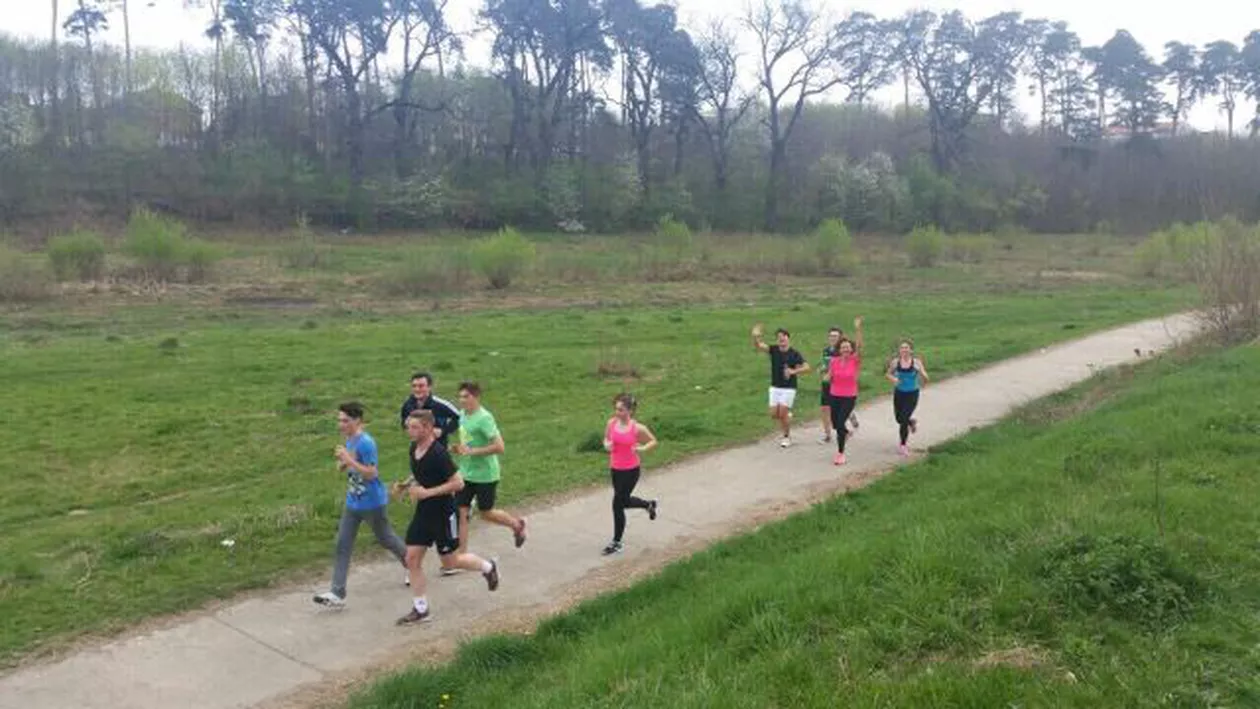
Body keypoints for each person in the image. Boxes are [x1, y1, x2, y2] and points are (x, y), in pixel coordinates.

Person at [393, 410, 500, 625]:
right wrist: (406, 485)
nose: (410, 431)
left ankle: (488, 567)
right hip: (424, 513)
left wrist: (426, 493)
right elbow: (421, 473)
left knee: (451, 561)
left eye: (415, 427)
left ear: (428, 428)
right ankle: (421, 609)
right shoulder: (414, 448)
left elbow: (458, 483)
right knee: (411, 558)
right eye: (409, 427)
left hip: (443, 513)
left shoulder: (438, 453)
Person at [313, 402, 408, 608]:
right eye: (339, 420)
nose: (341, 424)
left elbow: (372, 473)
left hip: (372, 502)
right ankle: (337, 593)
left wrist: (349, 459)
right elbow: (350, 466)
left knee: (386, 538)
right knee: (342, 544)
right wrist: (343, 463)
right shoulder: (349, 440)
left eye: (345, 420)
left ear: (357, 421)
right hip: (353, 502)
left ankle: (412, 565)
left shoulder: (366, 443)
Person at [451, 381, 527, 558]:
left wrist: (473, 451)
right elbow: (468, 441)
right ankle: (461, 556)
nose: (462, 400)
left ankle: (516, 525)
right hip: (466, 473)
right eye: (460, 397)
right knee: (460, 512)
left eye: (466, 397)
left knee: (486, 513)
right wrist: (459, 449)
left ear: (476, 397)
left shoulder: (484, 418)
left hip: (486, 475)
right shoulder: (462, 415)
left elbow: (500, 447)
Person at [602, 393, 659, 555]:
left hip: (631, 470)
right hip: (615, 468)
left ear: (630, 411)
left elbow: (653, 441)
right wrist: (607, 445)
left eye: (621, 409)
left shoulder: (637, 428)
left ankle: (617, 542)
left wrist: (641, 448)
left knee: (617, 504)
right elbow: (606, 439)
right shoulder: (611, 423)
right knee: (623, 501)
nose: (617, 412)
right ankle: (648, 504)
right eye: (616, 409)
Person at [752, 324, 810, 448]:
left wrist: (793, 371)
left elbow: (807, 367)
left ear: (788, 338)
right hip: (775, 387)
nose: (781, 339)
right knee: (774, 414)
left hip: (789, 388)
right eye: (779, 337)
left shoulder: (794, 353)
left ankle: (786, 437)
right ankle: (787, 415)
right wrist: (756, 336)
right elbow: (758, 346)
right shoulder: (773, 350)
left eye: (783, 337)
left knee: (782, 412)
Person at [827, 316, 865, 466]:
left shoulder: (855, 360)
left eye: (848, 347)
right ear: (839, 349)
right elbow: (830, 375)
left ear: (851, 349)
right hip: (834, 394)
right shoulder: (834, 361)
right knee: (836, 424)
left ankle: (840, 453)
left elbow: (860, 345)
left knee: (840, 422)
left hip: (849, 396)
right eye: (843, 347)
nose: (845, 349)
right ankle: (846, 432)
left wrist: (858, 329)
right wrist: (826, 376)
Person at [886, 340, 930, 457]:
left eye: (906, 348)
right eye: (902, 348)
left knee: (903, 419)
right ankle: (912, 422)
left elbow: (926, 378)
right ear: (899, 350)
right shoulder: (895, 362)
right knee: (899, 419)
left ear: (911, 350)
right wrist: (893, 379)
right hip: (899, 393)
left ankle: (903, 445)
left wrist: (920, 372)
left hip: (912, 394)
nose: (904, 350)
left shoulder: (916, 362)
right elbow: (888, 374)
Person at [399, 372, 460, 447]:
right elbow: (404, 421)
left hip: (438, 449)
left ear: (429, 387)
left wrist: (443, 431)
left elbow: (459, 417)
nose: (417, 389)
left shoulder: (439, 404)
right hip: (416, 448)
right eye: (414, 386)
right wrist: (408, 426)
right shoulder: (408, 404)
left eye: (421, 386)